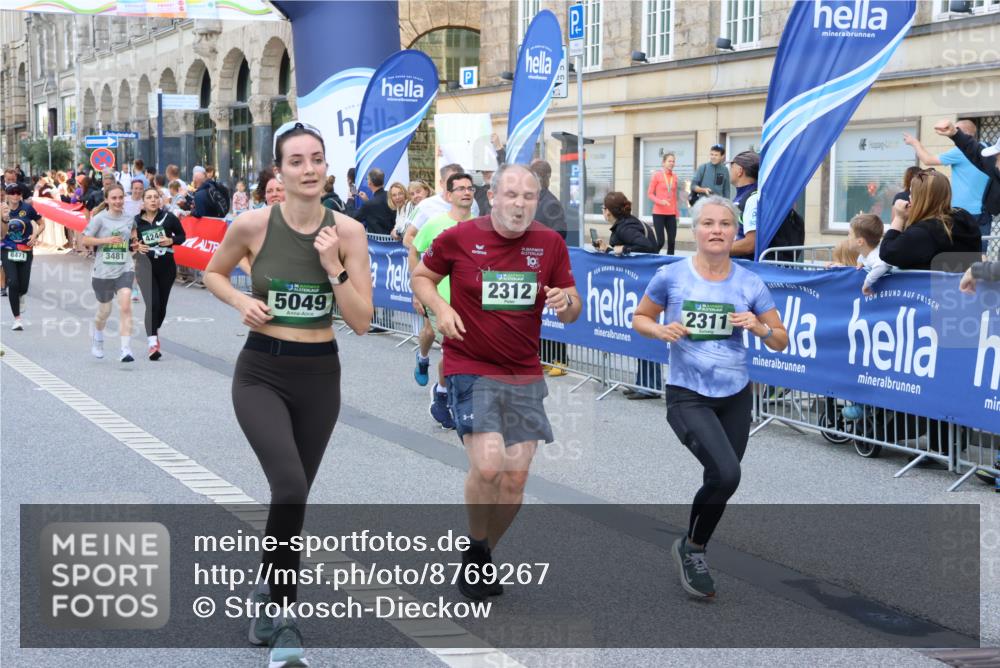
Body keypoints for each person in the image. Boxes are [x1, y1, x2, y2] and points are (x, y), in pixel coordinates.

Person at [203, 121, 372, 667]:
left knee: (291, 500)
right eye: (296, 161)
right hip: (262, 372)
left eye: (316, 159)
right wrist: (240, 302)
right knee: (291, 485)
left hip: (320, 376)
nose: (308, 169)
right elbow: (213, 273)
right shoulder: (253, 224)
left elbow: (362, 321)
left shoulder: (349, 232)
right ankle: (282, 618)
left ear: (326, 166)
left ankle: (266, 592)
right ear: (279, 170)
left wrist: (333, 267)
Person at [411, 163, 582, 601]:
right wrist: (440, 309)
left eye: (528, 196)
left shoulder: (549, 243)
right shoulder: (459, 237)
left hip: (523, 371)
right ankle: (477, 548)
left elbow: (572, 309)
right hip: (470, 363)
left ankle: (479, 552)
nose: (519, 204)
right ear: (493, 197)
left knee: (514, 481)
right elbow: (422, 276)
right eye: (511, 195)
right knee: (489, 466)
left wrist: (565, 302)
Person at [633, 195, 788, 598]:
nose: (717, 230)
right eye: (708, 223)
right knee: (728, 473)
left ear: (735, 231)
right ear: (695, 229)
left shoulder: (750, 283)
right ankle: (695, 550)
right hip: (688, 394)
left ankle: (691, 545)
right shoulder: (671, 276)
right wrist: (660, 330)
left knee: (720, 479)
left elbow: (781, 340)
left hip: (735, 395)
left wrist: (759, 328)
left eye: (725, 224)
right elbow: (640, 317)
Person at [409, 172, 476, 426]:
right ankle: (443, 394)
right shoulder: (435, 225)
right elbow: (414, 250)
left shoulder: (482, 226)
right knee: (451, 350)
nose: (466, 192)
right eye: (460, 188)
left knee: (462, 353)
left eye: (470, 188)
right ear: (448, 195)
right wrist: (418, 291)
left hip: (471, 303)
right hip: (441, 300)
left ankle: (444, 391)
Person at [594, 191, 661, 399]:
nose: (603, 212)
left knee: (646, 333)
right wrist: (609, 250)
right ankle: (643, 382)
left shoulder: (626, 227)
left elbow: (648, 247)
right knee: (639, 334)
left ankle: (650, 386)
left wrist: (623, 248)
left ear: (609, 211)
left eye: (603, 208)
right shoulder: (630, 223)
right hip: (638, 284)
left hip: (641, 286)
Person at [905, 120, 991, 252]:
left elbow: (927, 160)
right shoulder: (987, 149)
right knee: (980, 251)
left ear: (964, 133)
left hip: (962, 212)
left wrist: (915, 143)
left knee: (957, 252)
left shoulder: (961, 151)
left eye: (954, 129)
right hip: (984, 212)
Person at [879, 168, 982, 273]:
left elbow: (887, 253)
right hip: (967, 281)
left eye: (912, 193)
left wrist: (899, 218)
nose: (909, 197)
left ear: (920, 198)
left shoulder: (923, 232)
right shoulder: (964, 216)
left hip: (930, 283)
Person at [81, 183, 138, 362]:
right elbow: (85, 240)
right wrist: (106, 240)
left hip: (124, 268)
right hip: (103, 271)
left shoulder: (129, 218)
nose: (118, 201)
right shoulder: (99, 219)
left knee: (126, 305)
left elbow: (133, 233)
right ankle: (98, 337)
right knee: (104, 311)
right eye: (114, 198)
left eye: (121, 197)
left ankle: (125, 349)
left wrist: (134, 242)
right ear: (106, 200)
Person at [134, 187, 186, 360]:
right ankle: (152, 343)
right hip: (144, 266)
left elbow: (182, 236)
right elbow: (127, 242)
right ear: (143, 201)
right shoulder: (135, 221)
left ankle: (153, 331)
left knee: (161, 307)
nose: (153, 200)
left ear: (160, 200)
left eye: (156, 197)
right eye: (149, 197)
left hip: (166, 267)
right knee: (152, 304)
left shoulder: (168, 218)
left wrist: (171, 240)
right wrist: (136, 246)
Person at [529, 159, 570, 376]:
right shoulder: (533, 199)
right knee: (538, 313)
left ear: (543, 178)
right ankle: (544, 356)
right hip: (533, 265)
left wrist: (542, 243)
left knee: (554, 313)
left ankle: (560, 360)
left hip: (549, 263)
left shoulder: (551, 202)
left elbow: (560, 233)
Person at [403, 163, 479, 249]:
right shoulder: (425, 205)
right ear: (441, 183)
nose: (455, 185)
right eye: (450, 181)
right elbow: (408, 238)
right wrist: (432, 253)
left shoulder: (472, 203)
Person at [1, 183, 43, 329]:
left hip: (25, 249)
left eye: (18, 193)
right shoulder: (1, 209)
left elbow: (41, 223)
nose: (15, 195)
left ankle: (21, 295)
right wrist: (4, 219)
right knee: (13, 283)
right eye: (12, 192)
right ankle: (17, 319)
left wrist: (35, 235)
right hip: (7, 248)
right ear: (7, 194)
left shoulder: (27, 208)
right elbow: (1, 234)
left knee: (23, 286)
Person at [846, 213, 893, 296]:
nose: (847, 236)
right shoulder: (868, 252)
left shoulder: (875, 256)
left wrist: (866, 284)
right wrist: (860, 261)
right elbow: (863, 256)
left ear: (860, 242)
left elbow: (882, 265)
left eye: (849, 234)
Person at [647, 152, 679, 254]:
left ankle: (670, 262)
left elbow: (674, 196)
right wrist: (660, 201)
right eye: (669, 161)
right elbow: (650, 194)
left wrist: (677, 214)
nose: (672, 163)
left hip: (671, 214)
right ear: (663, 163)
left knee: (672, 242)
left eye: (673, 161)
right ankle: (651, 258)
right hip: (658, 213)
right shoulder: (657, 175)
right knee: (660, 242)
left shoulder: (675, 177)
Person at [351, 167, 394, 235]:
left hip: (375, 241)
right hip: (393, 240)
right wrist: (367, 200)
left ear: (369, 183)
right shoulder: (391, 196)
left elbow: (353, 218)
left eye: (367, 179)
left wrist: (350, 200)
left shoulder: (368, 205)